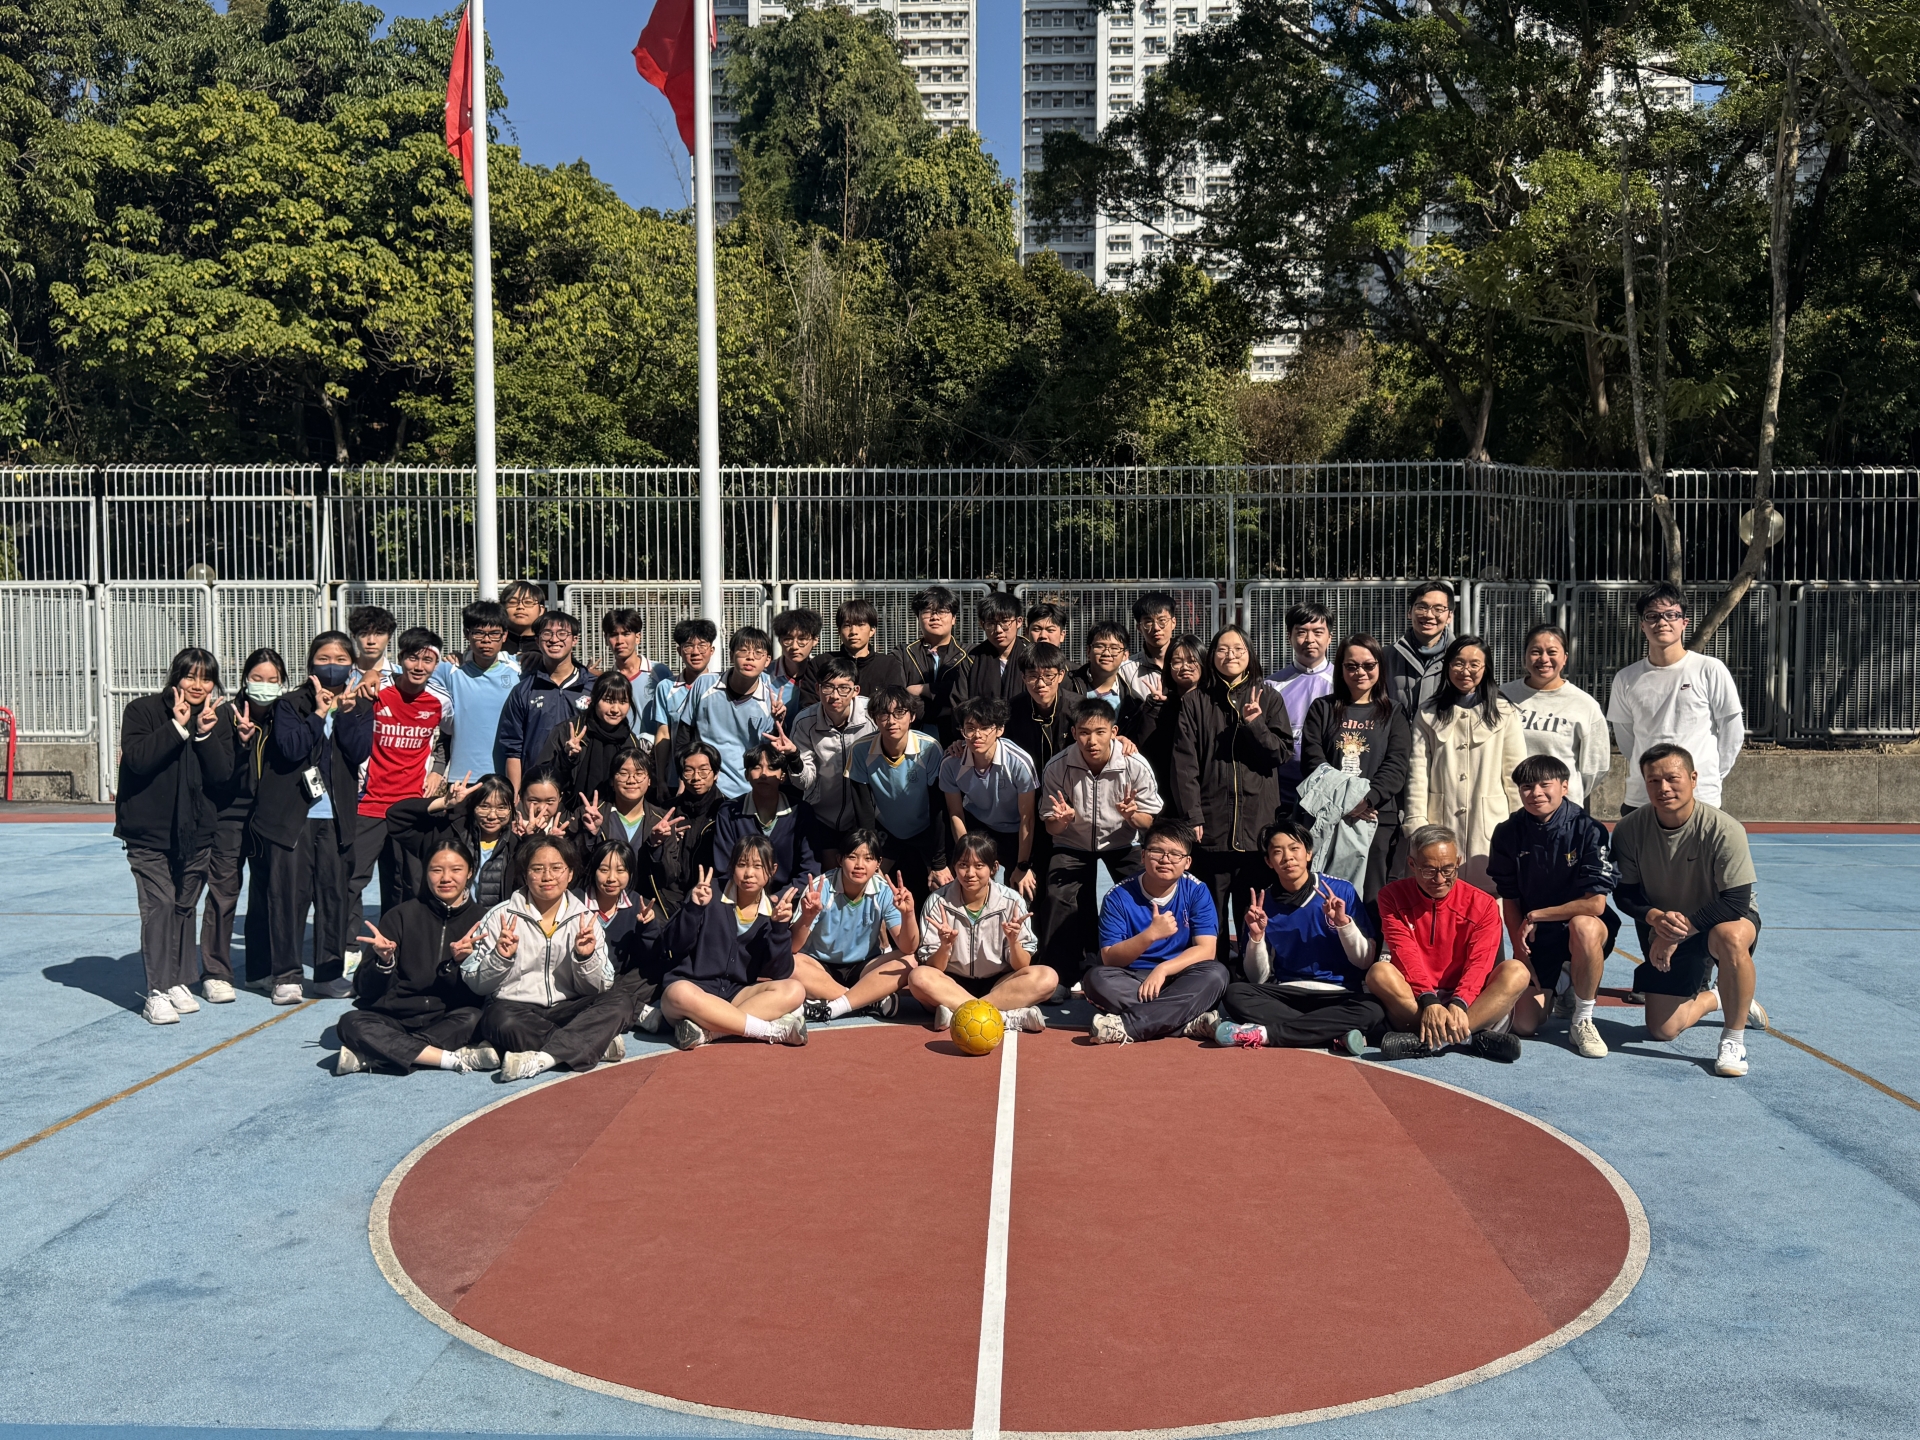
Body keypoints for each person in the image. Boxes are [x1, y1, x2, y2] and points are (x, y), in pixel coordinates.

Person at [1611, 743, 1767, 1077]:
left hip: (1719, 919)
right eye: (1654, 781)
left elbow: (1736, 902)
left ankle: (1733, 1040)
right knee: (1662, 1030)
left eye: (1672, 778)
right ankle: (1719, 997)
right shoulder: (1628, 830)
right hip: (1665, 923)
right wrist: (1656, 919)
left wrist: (1675, 935)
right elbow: (1624, 895)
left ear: (1693, 779)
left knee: (1730, 938)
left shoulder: (1724, 829)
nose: (1664, 788)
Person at [115, 647, 237, 1024]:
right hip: (148, 833)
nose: (198, 685)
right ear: (175, 676)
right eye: (190, 676)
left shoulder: (216, 718)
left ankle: (178, 981)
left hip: (196, 833)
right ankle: (156, 990)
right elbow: (138, 759)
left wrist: (204, 734)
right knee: (161, 905)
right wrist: (177, 728)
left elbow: (222, 775)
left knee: (184, 907)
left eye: (207, 678)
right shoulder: (143, 711)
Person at [258, 634, 375, 1006]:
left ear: (351, 664)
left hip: (336, 817)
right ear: (311, 664)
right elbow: (290, 748)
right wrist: (320, 713)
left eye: (340, 658)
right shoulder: (290, 703)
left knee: (334, 897)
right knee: (288, 898)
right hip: (295, 818)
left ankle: (328, 974)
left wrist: (347, 713)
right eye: (324, 658)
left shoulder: (360, 704)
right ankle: (287, 976)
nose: (332, 665)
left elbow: (358, 752)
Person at [1202, 816, 1382, 1053]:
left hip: (1338, 994)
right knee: (1236, 994)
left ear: (1309, 853)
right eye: (1278, 852)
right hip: (1287, 992)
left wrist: (1343, 923)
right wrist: (1257, 937)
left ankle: (1266, 1034)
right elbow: (1258, 978)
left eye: (1294, 848)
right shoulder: (1262, 905)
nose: (1288, 857)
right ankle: (1332, 1033)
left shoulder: (1341, 891)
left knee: (1373, 1009)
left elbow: (1364, 961)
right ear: (1269, 862)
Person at [1488, 754, 1621, 1060]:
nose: (1535, 793)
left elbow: (1595, 904)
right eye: (1526, 786)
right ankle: (1565, 980)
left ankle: (1583, 1019)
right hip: (1538, 936)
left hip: (1582, 926)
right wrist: (1521, 953)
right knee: (1524, 1024)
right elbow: (1510, 898)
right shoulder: (1507, 833)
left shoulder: (1589, 830)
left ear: (1564, 786)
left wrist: (1537, 915)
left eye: (1544, 785)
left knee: (1583, 927)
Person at [463, 835, 628, 1081]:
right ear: (525, 874)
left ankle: (544, 1059)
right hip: (515, 1009)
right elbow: (475, 982)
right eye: (537, 869)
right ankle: (592, 1044)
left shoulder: (585, 920)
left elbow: (601, 985)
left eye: (556, 868)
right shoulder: (500, 917)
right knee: (497, 1019)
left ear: (570, 874)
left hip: (567, 1008)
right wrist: (499, 958)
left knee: (621, 1001)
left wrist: (585, 958)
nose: (547, 876)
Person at [1173, 625, 1289, 963]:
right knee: (1210, 913)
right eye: (1223, 650)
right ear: (1212, 656)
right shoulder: (1195, 701)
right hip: (1212, 826)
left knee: (1252, 909)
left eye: (1238, 649)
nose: (1231, 656)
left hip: (1257, 826)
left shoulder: (1268, 697)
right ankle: (1214, 973)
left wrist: (1255, 725)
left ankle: (1253, 974)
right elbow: (1185, 765)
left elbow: (1280, 754)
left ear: (1249, 654)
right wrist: (1193, 815)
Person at [334, 837, 496, 1075]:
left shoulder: (483, 921)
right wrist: (383, 962)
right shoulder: (400, 916)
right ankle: (447, 1058)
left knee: (474, 1017)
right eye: (436, 870)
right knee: (350, 1022)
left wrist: (459, 963)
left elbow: (479, 994)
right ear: (425, 872)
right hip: (395, 1018)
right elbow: (364, 989)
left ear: (470, 872)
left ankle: (377, 1057)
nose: (446, 878)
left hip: (446, 1018)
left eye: (456, 869)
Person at [1368, 825, 1529, 1062]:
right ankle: (1471, 1038)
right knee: (1379, 973)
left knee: (1517, 971)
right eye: (1429, 870)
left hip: (1468, 1001)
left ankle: (1428, 1042)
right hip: (1417, 999)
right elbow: (1404, 953)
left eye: (1448, 869)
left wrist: (1460, 1003)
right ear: (1412, 864)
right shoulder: (1391, 896)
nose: (1440, 879)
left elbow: (1480, 963)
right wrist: (1429, 1000)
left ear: (1458, 862)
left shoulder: (1484, 904)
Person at [347, 626, 447, 988]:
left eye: (428, 659)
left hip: (411, 810)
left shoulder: (440, 702)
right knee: (352, 880)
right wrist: (371, 675)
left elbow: (450, 738)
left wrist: (437, 770)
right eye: (413, 657)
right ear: (400, 658)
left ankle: (398, 946)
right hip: (369, 804)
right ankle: (350, 948)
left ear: (436, 664)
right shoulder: (376, 692)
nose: (419, 665)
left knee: (409, 883)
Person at [1038, 700, 1163, 993]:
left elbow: (1148, 821)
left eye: (1100, 732)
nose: (1091, 741)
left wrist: (1132, 815)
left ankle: (1140, 967)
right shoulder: (1057, 766)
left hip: (1123, 842)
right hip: (1072, 842)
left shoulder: (1134, 765)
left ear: (1114, 732)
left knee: (1144, 892)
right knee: (1058, 897)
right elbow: (1050, 826)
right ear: (1073, 733)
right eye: (1084, 732)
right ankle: (1060, 976)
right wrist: (1062, 821)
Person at [1607, 584, 1745, 814]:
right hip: (1642, 796)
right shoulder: (1626, 678)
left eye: (1671, 615)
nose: (1662, 622)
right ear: (1642, 625)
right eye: (1652, 616)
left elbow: (1732, 734)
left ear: (1684, 622)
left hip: (1700, 796)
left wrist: (1708, 776)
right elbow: (1626, 740)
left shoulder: (1710, 669)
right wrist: (1651, 772)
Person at [1404, 634, 1526, 895]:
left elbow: (1515, 776)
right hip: (1440, 819)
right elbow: (1417, 774)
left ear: (1486, 668)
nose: (1465, 671)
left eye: (1474, 664)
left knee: (1489, 897)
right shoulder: (1428, 712)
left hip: (1491, 823)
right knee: (1439, 893)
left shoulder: (1505, 712)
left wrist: (1520, 825)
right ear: (1448, 666)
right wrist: (1417, 823)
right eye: (1458, 663)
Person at [1086, 820, 1227, 1043]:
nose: (1165, 859)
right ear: (1143, 856)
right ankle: (1185, 1022)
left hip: (1180, 976)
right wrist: (1149, 935)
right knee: (1096, 980)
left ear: (1187, 862)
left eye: (1175, 854)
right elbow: (1110, 958)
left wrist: (1163, 969)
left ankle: (1128, 1025)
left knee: (1216, 974)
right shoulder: (1118, 896)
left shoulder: (1197, 891)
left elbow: (1206, 950)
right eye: (1157, 851)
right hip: (1134, 979)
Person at [659, 843, 809, 1049]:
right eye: (742, 864)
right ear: (731, 866)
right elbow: (674, 945)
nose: (749, 873)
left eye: (758, 866)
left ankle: (711, 1032)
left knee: (795, 989)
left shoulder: (773, 911)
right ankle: (770, 1031)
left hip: (735, 995)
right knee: (678, 993)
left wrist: (780, 928)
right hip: (695, 992)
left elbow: (779, 972)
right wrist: (693, 909)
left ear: (772, 870)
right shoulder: (708, 892)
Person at [1298, 634, 1411, 900]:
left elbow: (1396, 765)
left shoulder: (1394, 712)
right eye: (1351, 666)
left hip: (1375, 817)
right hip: (1327, 815)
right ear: (1341, 668)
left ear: (1379, 666)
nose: (1360, 672)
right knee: (1326, 894)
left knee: (1372, 898)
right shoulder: (1323, 708)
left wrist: (1367, 800)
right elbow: (1314, 762)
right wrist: (1345, 802)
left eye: (1368, 665)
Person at [201, 647, 286, 1000]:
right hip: (230, 817)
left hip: (269, 819)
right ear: (245, 679)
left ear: (282, 683)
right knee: (224, 893)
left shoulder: (286, 715)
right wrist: (241, 743)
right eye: (257, 678)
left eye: (272, 679)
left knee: (266, 894)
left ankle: (259, 970)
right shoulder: (225, 714)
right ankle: (216, 972)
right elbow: (217, 774)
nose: (265, 685)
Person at [909, 833, 1052, 1033]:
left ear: (994, 868)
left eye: (979, 866)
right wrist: (945, 946)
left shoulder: (1012, 901)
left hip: (999, 983)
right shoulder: (937, 901)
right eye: (963, 865)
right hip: (951, 983)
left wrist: (1014, 942)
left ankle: (960, 1014)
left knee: (1047, 977)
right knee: (918, 978)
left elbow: (1022, 965)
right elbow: (934, 967)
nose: (970, 873)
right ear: (954, 866)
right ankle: (1004, 1017)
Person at [789, 832, 920, 1022]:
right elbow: (793, 947)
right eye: (852, 857)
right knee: (789, 962)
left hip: (865, 968)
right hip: (820, 967)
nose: (859, 865)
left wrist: (908, 914)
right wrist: (807, 917)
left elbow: (908, 948)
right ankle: (866, 1000)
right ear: (839, 860)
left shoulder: (885, 890)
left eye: (868, 858)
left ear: (878, 863)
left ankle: (834, 1004)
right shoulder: (818, 888)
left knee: (910, 961)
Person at [850, 688, 951, 902]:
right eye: (883, 714)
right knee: (866, 886)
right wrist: (869, 855)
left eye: (899, 713)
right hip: (887, 829)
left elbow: (938, 807)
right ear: (874, 718)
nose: (891, 721)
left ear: (912, 716)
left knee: (942, 887)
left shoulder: (930, 748)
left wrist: (939, 863)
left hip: (926, 828)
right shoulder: (860, 750)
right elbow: (863, 808)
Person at [1501, 624, 1611, 808]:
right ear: (1524, 657)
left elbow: (1595, 767)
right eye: (1535, 652)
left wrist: (1566, 793)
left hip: (1561, 810)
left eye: (1552, 652)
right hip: (1510, 806)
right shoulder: (1502, 696)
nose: (1544, 659)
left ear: (1565, 658)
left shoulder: (1584, 705)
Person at [940, 695, 1039, 898]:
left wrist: (1023, 865)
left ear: (1000, 730)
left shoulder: (1019, 762)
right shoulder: (951, 763)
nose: (977, 735)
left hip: (1015, 830)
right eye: (970, 728)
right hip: (979, 826)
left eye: (985, 728)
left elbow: (1027, 817)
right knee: (967, 884)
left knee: (1023, 890)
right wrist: (968, 858)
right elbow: (955, 813)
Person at [387, 772, 525, 908]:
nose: (492, 816)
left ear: (512, 807)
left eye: (501, 808)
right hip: (448, 919)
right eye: (484, 806)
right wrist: (444, 802)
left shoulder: (517, 847)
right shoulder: (447, 835)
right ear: (473, 805)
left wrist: (531, 838)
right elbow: (396, 816)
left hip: (497, 921)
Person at [578, 837, 671, 1038]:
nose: (612, 878)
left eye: (620, 871)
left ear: (630, 873)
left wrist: (647, 927)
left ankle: (615, 1007)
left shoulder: (637, 903)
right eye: (604, 870)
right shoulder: (575, 902)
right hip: (580, 979)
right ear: (593, 870)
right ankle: (637, 1013)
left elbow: (647, 957)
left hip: (619, 982)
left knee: (656, 973)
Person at [787, 653, 874, 861]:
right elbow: (804, 782)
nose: (835, 695)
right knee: (829, 870)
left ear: (856, 691)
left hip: (865, 814)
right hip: (821, 814)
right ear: (817, 689)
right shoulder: (804, 722)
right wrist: (794, 758)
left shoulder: (872, 714)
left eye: (844, 688)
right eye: (828, 687)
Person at [498, 609, 591, 795]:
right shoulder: (523, 690)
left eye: (562, 633)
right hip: (537, 790)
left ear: (575, 640)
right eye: (547, 633)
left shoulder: (592, 687)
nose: (554, 639)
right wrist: (516, 796)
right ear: (537, 640)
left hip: (582, 788)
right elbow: (513, 749)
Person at [688, 626, 781, 798]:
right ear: (731, 655)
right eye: (743, 650)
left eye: (758, 653)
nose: (750, 657)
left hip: (746, 790)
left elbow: (769, 752)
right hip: (704, 786)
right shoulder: (704, 684)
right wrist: (683, 778)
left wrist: (778, 723)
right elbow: (684, 733)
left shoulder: (770, 701)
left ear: (767, 660)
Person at [712, 744, 821, 890]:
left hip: (790, 898)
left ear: (783, 776)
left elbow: (810, 869)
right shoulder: (728, 812)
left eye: (772, 768)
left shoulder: (801, 811)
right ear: (746, 775)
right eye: (756, 767)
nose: (764, 774)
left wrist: (780, 898)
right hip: (740, 895)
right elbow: (724, 869)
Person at [434, 600, 521, 784]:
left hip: (507, 778)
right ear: (467, 634)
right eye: (479, 633)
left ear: (504, 635)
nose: (486, 640)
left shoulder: (520, 669)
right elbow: (406, 675)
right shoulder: (450, 670)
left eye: (494, 634)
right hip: (462, 778)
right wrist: (373, 673)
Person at [1266, 602, 1336, 806]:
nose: (1310, 639)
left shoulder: (1344, 684)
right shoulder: (1271, 685)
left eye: (1318, 632)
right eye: (1301, 632)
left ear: (1329, 637)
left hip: (1333, 794)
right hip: (1283, 794)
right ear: (1289, 636)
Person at [646, 743, 726, 912]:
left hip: (712, 898)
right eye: (688, 770)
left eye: (704, 770)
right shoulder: (666, 812)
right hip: (669, 900)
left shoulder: (726, 812)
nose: (696, 777)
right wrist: (662, 843)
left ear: (716, 773)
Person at [545, 670, 639, 811]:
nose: (615, 709)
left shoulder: (631, 741)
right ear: (594, 700)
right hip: (570, 814)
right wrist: (566, 758)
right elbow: (543, 777)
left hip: (614, 816)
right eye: (608, 701)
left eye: (623, 702)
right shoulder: (569, 732)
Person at [1134, 631, 1203, 805]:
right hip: (1167, 798)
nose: (1185, 666)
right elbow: (1145, 747)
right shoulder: (1160, 703)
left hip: (1207, 798)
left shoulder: (1213, 704)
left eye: (1192, 660)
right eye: (1177, 661)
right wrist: (1155, 707)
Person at [897, 585, 971, 742]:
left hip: (959, 738)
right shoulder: (902, 654)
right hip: (911, 736)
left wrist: (921, 689)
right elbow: (899, 696)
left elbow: (966, 695)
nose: (935, 617)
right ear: (918, 617)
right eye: (927, 611)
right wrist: (946, 708)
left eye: (942, 611)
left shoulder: (970, 654)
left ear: (953, 618)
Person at [1384, 581, 1456, 715]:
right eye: (1422, 607)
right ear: (1409, 612)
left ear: (1449, 616)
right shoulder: (1386, 656)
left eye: (1438, 609)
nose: (1429, 615)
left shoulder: (1459, 657)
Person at [600, 607, 665, 738]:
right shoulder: (607, 681)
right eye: (613, 635)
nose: (620, 641)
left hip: (655, 749)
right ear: (606, 639)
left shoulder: (659, 672)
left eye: (626, 634)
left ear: (637, 637)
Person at [959, 592, 1030, 706]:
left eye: (1005, 622)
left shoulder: (1031, 657)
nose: (998, 630)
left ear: (1019, 622)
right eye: (991, 623)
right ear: (982, 624)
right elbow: (960, 702)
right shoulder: (971, 660)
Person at [1072, 622, 1145, 731]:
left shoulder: (1132, 699)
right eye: (1100, 646)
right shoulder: (1069, 686)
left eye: (1114, 648)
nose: (1106, 653)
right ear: (1088, 651)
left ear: (1125, 655)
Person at [1118, 590, 1182, 701]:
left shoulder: (1190, 665)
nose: (1156, 628)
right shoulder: (1126, 670)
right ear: (1139, 628)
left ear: (1173, 622)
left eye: (1162, 620)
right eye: (1148, 622)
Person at [834, 597, 906, 692]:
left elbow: (895, 699)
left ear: (872, 630)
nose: (853, 632)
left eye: (860, 625)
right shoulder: (822, 663)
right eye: (847, 625)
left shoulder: (888, 665)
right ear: (839, 630)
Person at [770, 608, 823, 714]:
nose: (794, 646)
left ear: (815, 640)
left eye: (802, 639)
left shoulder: (822, 673)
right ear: (779, 641)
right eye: (787, 639)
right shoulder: (765, 675)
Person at [347, 605, 400, 688]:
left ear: (389, 638)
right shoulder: (344, 675)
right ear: (354, 636)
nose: (371, 641)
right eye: (364, 634)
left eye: (379, 634)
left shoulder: (402, 675)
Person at [500, 580, 547, 663]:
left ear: (541, 610)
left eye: (528, 602)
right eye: (513, 602)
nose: (520, 607)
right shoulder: (494, 640)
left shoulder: (548, 642)